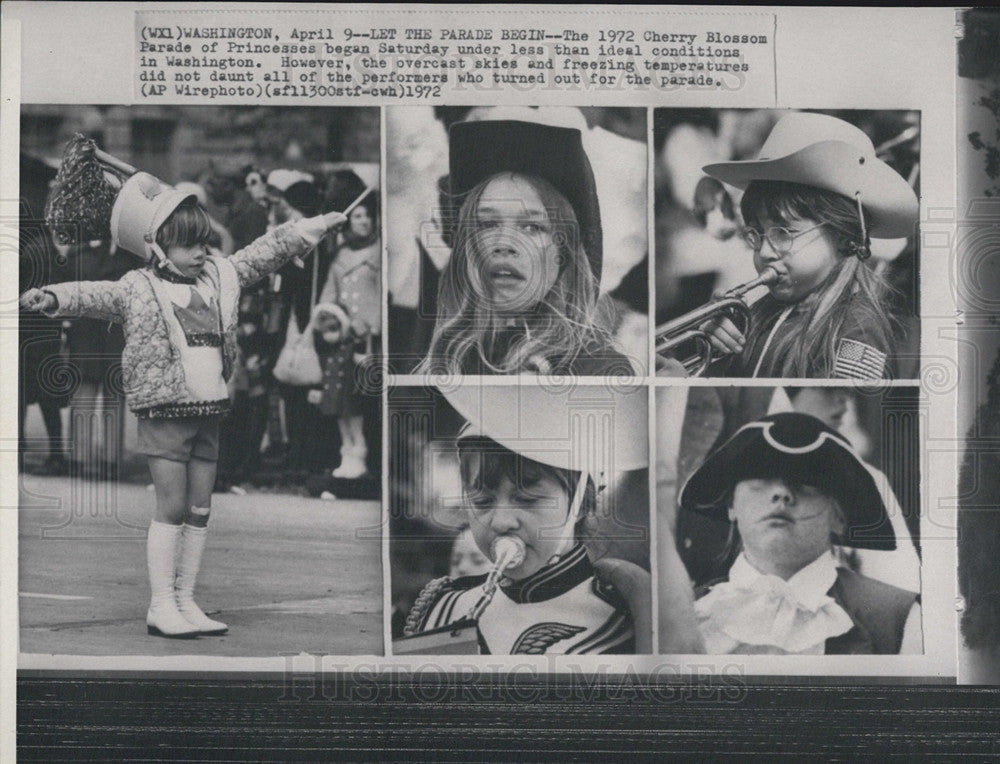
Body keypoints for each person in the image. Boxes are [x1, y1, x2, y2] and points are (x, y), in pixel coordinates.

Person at [22, 137, 347, 638]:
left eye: (203, 242)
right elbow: (97, 294)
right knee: (171, 507)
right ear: (157, 246)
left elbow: (263, 254)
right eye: (189, 244)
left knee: (201, 507)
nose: (202, 252)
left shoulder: (220, 275)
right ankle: (161, 604)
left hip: (209, 409)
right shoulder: (138, 286)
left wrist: (311, 227)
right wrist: (53, 296)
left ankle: (186, 600)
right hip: (164, 411)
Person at [400, 385, 653, 655]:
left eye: (528, 499)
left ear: (581, 504)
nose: (500, 522)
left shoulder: (627, 622)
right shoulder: (441, 606)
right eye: (482, 502)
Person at [699, 112, 919, 379]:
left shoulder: (857, 333)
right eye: (756, 234)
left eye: (784, 233)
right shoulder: (759, 313)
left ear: (842, 235)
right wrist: (714, 350)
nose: (764, 252)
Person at [680, 412, 921, 655]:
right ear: (731, 505)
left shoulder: (896, 618)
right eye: (761, 477)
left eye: (807, 482)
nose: (782, 493)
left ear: (839, 518)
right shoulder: (687, 613)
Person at [415, 120, 632, 376]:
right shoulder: (438, 361)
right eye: (487, 224)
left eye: (532, 227)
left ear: (564, 254)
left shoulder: (600, 369)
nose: (505, 244)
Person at [318, 172, 380, 478]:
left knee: (360, 402)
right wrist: (330, 320)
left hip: (368, 339)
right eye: (358, 216)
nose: (364, 222)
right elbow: (329, 297)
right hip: (342, 338)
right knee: (341, 401)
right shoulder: (340, 256)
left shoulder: (380, 253)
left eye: (368, 216)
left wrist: (373, 326)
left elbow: (383, 295)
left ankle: (362, 453)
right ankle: (348, 451)